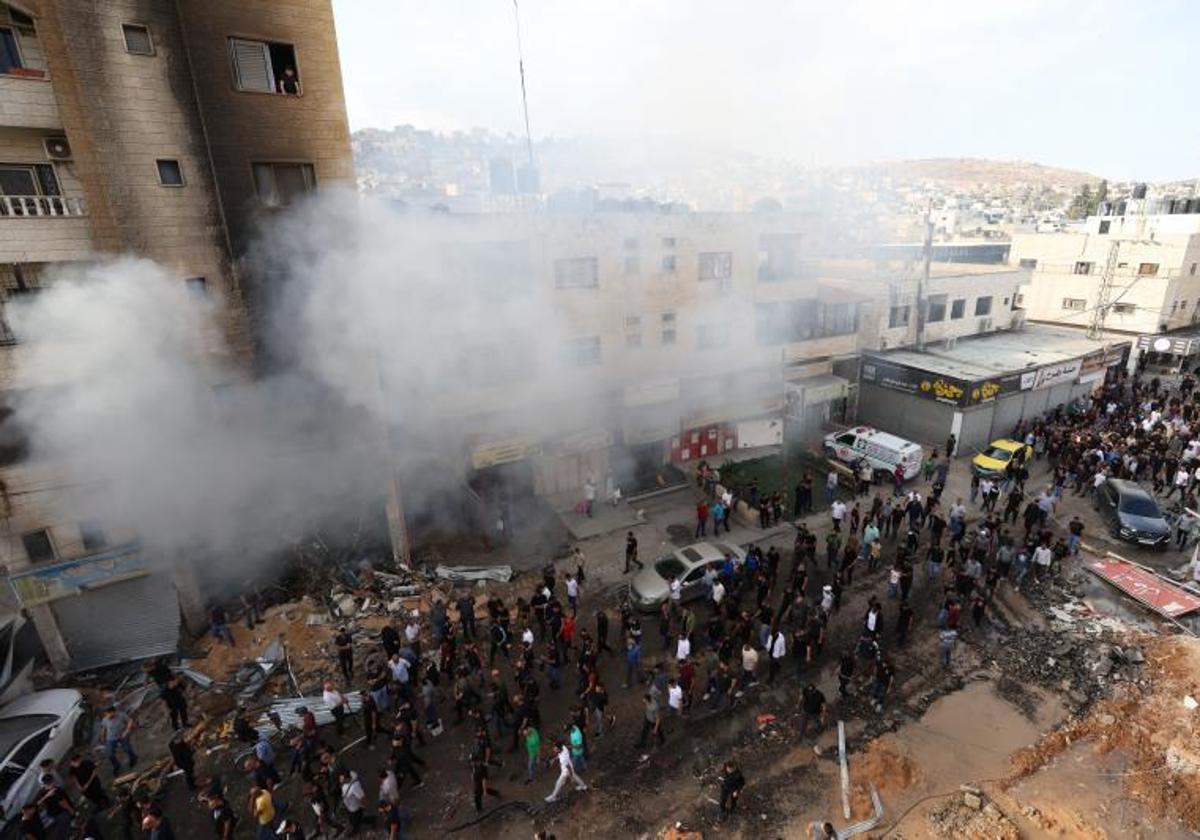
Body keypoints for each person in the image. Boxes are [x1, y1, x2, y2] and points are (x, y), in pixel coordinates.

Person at [98, 706, 137, 774]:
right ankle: (117, 766)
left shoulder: (121, 715)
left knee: (127, 749)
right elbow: (104, 728)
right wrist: (102, 737)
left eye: (108, 713)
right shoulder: (105, 719)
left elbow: (130, 721)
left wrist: (127, 731)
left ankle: (133, 758)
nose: (107, 715)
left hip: (122, 735)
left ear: (113, 712)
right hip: (111, 738)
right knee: (110, 754)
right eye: (106, 714)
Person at [339, 770, 366, 835]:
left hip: (354, 808)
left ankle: (355, 830)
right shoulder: (351, 774)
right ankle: (355, 825)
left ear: (347, 778)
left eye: (342, 779)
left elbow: (362, 797)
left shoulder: (354, 787)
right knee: (351, 819)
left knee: (355, 821)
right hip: (349, 806)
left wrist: (363, 805)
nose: (340, 780)